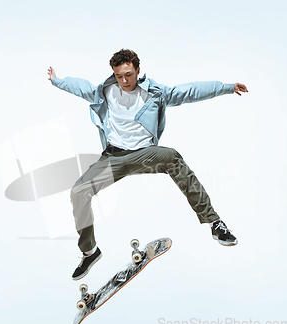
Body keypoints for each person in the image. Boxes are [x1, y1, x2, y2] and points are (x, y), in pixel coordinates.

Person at [47, 49, 248, 280]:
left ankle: (215, 223)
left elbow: (190, 91)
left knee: (172, 156)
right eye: (119, 76)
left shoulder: (155, 93)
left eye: (129, 75)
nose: (124, 81)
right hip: (113, 158)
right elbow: (78, 86)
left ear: (138, 71)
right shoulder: (103, 92)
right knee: (78, 191)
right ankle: (89, 251)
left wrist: (227, 87)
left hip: (145, 154)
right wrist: (56, 81)